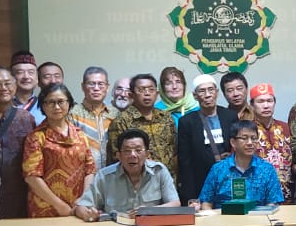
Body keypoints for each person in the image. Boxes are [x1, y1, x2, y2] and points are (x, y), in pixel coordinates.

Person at [22, 83, 96, 218]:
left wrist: (84, 200)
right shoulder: (36, 137)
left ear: (69, 103)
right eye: (50, 102)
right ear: (43, 106)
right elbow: (32, 177)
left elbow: (89, 169)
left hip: (79, 206)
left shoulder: (80, 135)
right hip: (45, 207)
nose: (56, 107)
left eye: (61, 101)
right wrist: (59, 205)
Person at [0, 66, 35, 220]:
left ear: (15, 86)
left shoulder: (26, 118)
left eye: (8, 83)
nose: (3, 88)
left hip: (19, 192)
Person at [176, 74, 237, 204]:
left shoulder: (230, 116)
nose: (208, 94)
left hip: (228, 179)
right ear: (195, 95)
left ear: (217, 92)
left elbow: (237, 147)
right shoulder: (187, 122)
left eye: (211, 90)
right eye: (202, 91)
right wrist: (190, 197)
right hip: (200, 180)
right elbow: (185, 161)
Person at [108, 73, 179, 185]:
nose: (147, 94)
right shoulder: (121, 121)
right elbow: (117, 158)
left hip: (169, 183)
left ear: (157, 94)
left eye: (151, 90)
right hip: (137, 185)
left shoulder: (166, 118)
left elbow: (175, 152)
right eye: (141, 90)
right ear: (132, 95)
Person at [199, 120, 286, 208]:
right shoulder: (218, 169)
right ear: (233, 142)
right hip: (224, 219)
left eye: (253, 138)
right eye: (244, 138)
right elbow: (206, 202)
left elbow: (273, 203)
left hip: (258, 219)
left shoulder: (267, 169)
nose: (250, 143)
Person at [250, 83, 293, 200]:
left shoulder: (285, 127)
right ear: (252, 105)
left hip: (286, 194)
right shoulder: (247, 130)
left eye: (269, 101)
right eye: (260, 101)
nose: (266, 105)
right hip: (257, 196)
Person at [69, 66, 116, 168]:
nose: (96, 88)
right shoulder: (72, 114)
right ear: (83, 86)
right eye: (91, 84)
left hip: (111, 175)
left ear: (107, 87)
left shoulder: (114, 114)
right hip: (82, 174)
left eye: (101, 84)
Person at [9, 50, 43, 124]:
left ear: (37, 78)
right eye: (20, 72)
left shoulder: (44, 105)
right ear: (11, 76)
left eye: (31, 72)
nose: (26, 76)